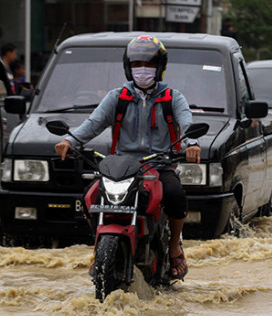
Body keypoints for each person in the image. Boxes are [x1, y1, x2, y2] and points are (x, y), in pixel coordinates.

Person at [54, 35, 200, 279]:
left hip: (159, 164)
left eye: (149, 65)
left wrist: (191, 144)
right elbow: (93, 124)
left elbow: (187, 124)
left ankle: (175, 246)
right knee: (91, 195)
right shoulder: (116, 97)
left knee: (175, 195)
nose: (143, 70)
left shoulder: (173, 97)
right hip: (121, 167)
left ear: (160, 68)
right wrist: (69, 141)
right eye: (136, 65)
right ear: (128, 68)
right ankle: (99, 248)